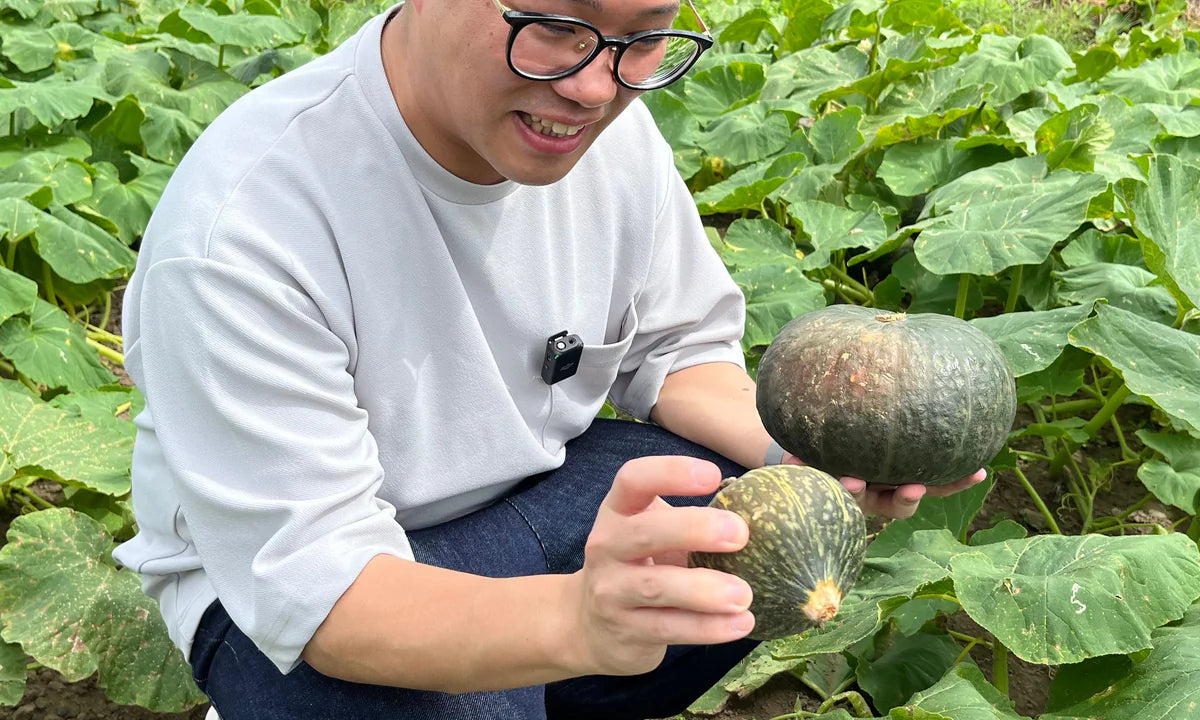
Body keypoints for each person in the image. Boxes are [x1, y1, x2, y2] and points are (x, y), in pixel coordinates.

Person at [113, 0, 986, 718]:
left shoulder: (608, 136)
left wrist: (801, 460)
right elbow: (324, 591)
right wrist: (575, 620)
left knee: (756, 516)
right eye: (551, 24)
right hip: (313, 600)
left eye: (642, 37)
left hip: (519, 499)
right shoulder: (245, 230)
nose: (592, 86)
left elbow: (678, 349)